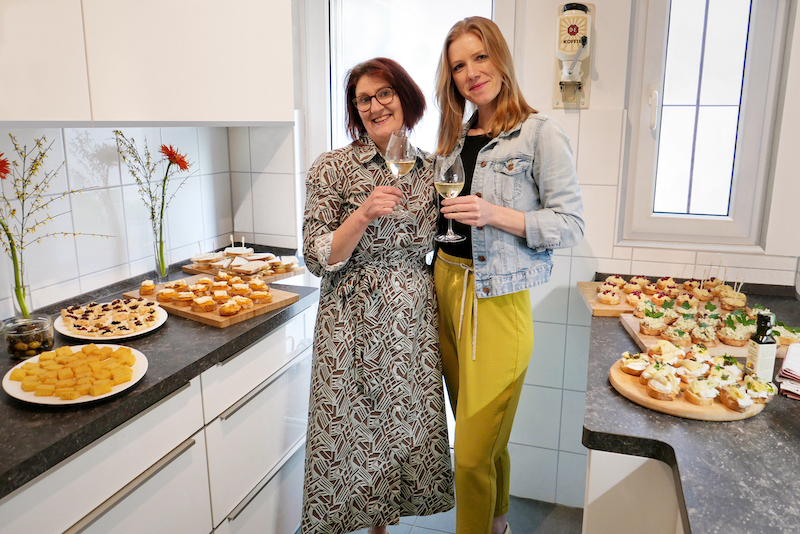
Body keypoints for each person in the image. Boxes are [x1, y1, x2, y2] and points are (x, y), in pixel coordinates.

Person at [433, 16, 585, 534]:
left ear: (500, 59)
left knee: (469, 455)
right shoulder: (454, 139)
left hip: (497, 303)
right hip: (445, 292)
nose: (472, 72)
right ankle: (499, 526)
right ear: (451, 78)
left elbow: (570, 224)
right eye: (459, 65)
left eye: (480, 57)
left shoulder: (539, 133)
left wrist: (496, 214)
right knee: (489, 445)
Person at [301, 57, 455, 534]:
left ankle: (384, 526)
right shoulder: (332, 168)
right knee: (347, 428)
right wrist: (362, 214)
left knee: (400, 429)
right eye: (363, 99)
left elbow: (446, 240)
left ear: (405, 98)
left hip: (411, 319)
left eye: (384, 93)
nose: (374, 106)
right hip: (351, 318)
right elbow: (315, 255)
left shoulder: (434, 168)